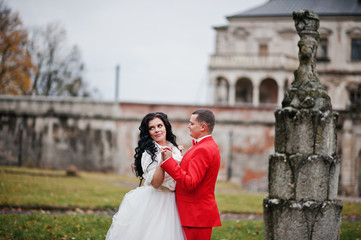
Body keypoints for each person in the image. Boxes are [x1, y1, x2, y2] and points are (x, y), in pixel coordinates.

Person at [106, 112, 185, 240]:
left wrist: (178, 155)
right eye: (151, 128)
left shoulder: (172, 146)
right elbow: (156, 183)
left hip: (173, 201)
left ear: (166, 126)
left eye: (159, 125)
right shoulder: (149, 152)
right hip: (156, 201)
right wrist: (162, 161)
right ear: (148, 132)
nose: (157, 130)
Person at [161, 109, 221, 240]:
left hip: (195, 217)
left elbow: (190, 183)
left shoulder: (203, 149)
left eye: (191, 123)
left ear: (203, 127)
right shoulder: (203, 146)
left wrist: (169, 161)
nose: (188, 126)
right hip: (194, 215)